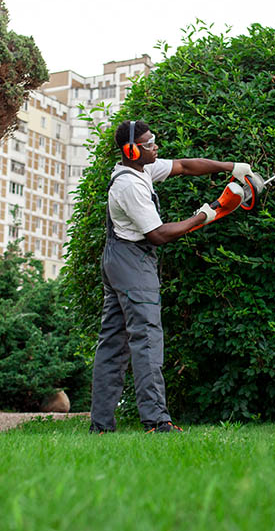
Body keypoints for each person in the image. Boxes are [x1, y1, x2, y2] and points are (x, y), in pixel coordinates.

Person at [89, 120, 261, 434]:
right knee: (147, 338)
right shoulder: (129, 184)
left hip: (120, 257)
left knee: (113, 342)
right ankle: (156, 421)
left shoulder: (142, 169)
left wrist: (231, 167)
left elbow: (184, 165)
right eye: (149, 142)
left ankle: (100, 425)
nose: (156, 146)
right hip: (131, 259)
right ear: (131, 150)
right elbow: (157, 235)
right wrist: (206, 215)